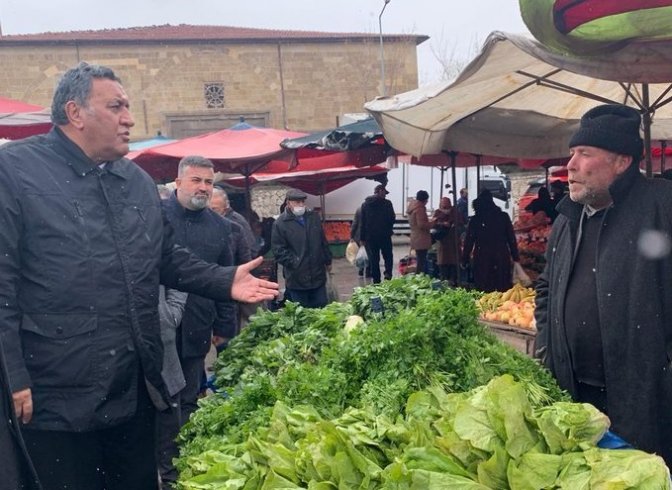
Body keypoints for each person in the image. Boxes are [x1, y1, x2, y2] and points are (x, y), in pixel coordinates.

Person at [0, 61, 278, 490]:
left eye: (128, 106)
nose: (130, 118)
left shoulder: (135, 181)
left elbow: (166, 257)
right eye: (117, 107)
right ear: (76, 113)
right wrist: (13, 376)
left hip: (132, 384)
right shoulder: (15, 171)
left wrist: (225, 280)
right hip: (53, 390)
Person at [534, 103, 672, 465]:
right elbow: (546, 287)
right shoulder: (568, 217)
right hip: (575, 398)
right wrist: (550, 347)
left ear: (622, 162)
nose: (571, 164)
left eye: (585, 153)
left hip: (644, 400)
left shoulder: (662, 207)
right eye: (571, 153)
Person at [158, 155, 241, 487]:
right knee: (161, 402)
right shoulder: (156, 218)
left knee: (190, 399)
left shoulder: (222, 228)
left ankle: (185, 466)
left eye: (208, 182)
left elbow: (225, 281)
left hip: (196, 327)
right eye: (196, 180)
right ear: (178, 182)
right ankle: (163, 466)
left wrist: (224, 329)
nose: (203, 188)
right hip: (156, 328)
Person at [272, 189, 332, 308]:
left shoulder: (313, 218)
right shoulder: (280, 223)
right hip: (297, 279)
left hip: (318, 276)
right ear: (288, 203)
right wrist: (295, 263)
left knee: (322, 311)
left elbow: (322, 240)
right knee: (302, 314)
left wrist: (327, 259)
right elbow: (278, 251)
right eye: (297, 202)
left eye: (302, 202)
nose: (301, 205)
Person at [461, 189, 520, 292]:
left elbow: (469, 241)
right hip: (501, 255)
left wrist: (465, 259)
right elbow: (511, 239)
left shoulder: (475, 220)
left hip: (482, 256)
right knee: (502, 286)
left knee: (484, 287)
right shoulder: (503, 217)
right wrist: (515, 257)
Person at [360, 184, 396, 283]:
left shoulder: (365, 204)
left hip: (370, 237)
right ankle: (388, 274)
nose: (385, 195)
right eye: (385, 192)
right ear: (380, 191)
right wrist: (388, 228)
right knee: (388, 256)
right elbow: (392, 219)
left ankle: (376, 280)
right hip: (385, 236)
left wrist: (362, 238)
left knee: (374, 259)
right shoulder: (387, 204)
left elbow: (362, 222)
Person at [210, 186, 259, 258]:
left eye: (214, 209)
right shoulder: (212, 221)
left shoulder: (236, 222)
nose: (210, 213)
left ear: (226, 206)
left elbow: (251, 250)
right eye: (207, 209)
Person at [432, 196, 463, 284]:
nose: (445, 209)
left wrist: (453, 225)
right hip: (443, 243)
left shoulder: (456, 212)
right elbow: (433, 224)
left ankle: (454, 279)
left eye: (447, 206)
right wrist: (442, 224)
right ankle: (444, 279)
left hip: (454, 241)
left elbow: (461, 223)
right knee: (443, 262)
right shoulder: (437, 212)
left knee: (454, 262)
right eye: (443, 207)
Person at [407, 190, 433, 275]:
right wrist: (433, 222)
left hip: (415, 236)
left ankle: (419, 276)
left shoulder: (413, 207)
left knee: (420, 259)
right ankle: (419, 278)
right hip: (421, 238)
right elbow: (422, 225)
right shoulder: (419, 209)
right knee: (421, 261)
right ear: (425, 199)